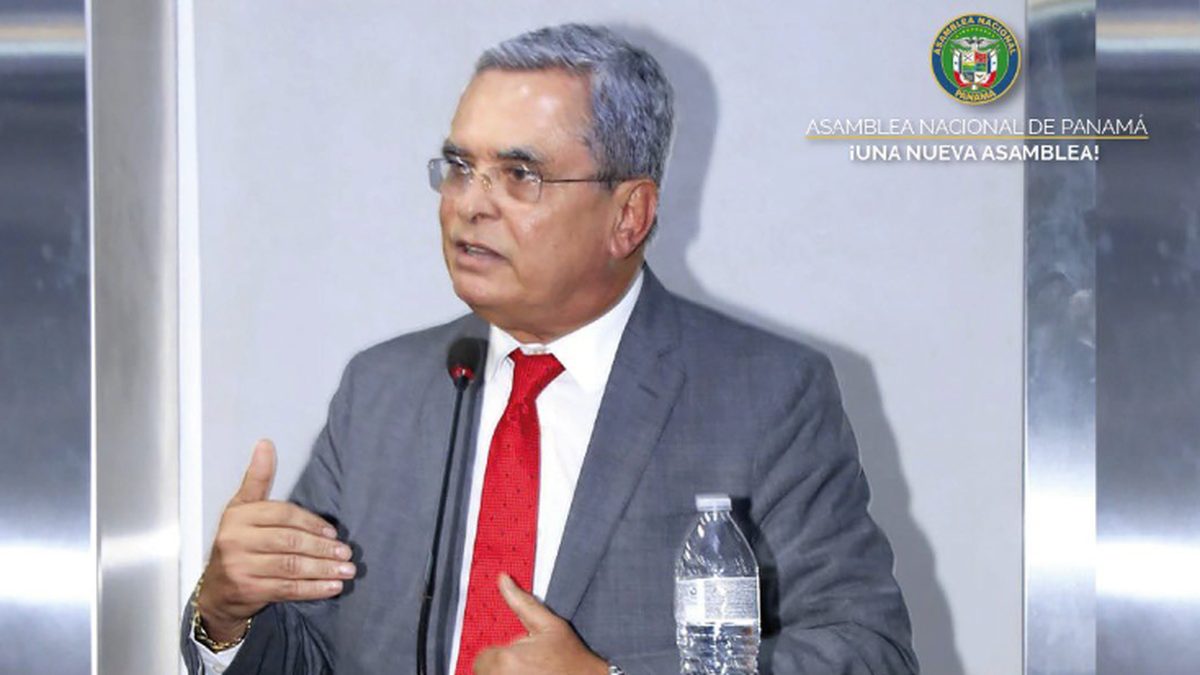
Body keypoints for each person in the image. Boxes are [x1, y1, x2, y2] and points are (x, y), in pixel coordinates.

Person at [180, 23, 919, 675]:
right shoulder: (382, 392)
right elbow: (312, 658)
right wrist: (227, 613)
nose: (469, 202)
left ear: (628, 215)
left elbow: (867, 654)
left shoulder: (763, 394)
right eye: (459, 167)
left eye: (519, 175)